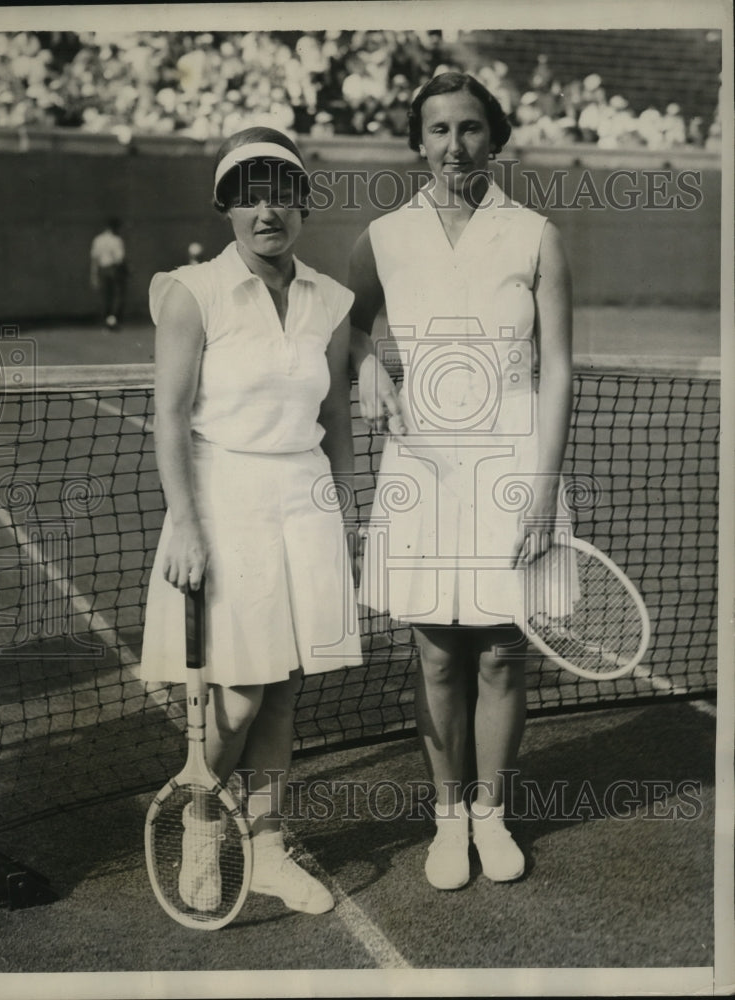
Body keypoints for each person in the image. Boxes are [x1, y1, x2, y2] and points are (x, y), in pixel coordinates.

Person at [141, 126, 390, 915]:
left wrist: (344, 508)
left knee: (284, 691)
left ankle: (271, 846)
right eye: (247, 194)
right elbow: (170, 417)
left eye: (279, 191)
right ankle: (202, 822)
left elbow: (335, 414)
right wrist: (184, 520)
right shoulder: (190, 292)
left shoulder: (328, 298)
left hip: (305, 498)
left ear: (302, 203)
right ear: (226, 207)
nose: (265, 209)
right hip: (223, 500)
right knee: (239, 697)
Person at [350, 72, 573, 890]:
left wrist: (544, 488)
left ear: (495, 137)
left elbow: (558, 372)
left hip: (515, 459)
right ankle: (448, 820)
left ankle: (491, 814)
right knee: (437, 655)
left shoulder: (537, 234)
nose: (455, 146)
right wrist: (370, 361)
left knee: (504, 655)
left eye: (471, 129)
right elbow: (348, 318)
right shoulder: (382, 235)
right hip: (422, 461)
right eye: (438, 130)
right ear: (417, 142)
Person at [90, 217, 128, 329]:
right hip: (113, 268)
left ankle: (108, 319)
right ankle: (112, 319)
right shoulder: (116, 240)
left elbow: (94, 259)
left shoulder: (98, 240)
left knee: (106, 296)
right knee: (117, 294)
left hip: (102, 268)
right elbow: (119, 258)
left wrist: (93, 275)